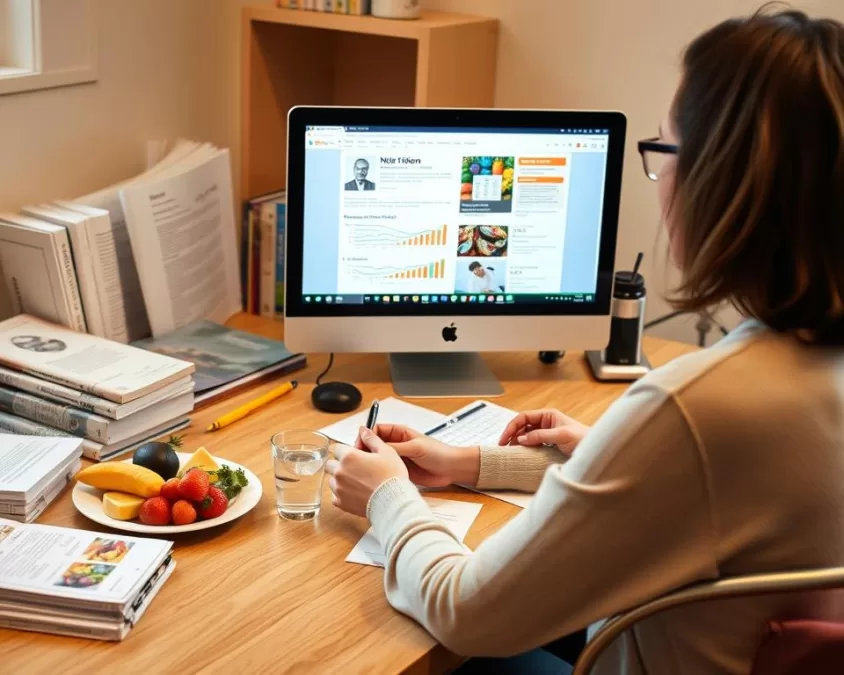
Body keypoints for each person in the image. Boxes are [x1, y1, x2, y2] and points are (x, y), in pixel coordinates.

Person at [326, 8, 844, 675]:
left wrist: (386, 497)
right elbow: (689, 501)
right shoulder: (813, 365)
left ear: (720, 181)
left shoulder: (700, 408)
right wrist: (471, 465)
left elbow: (465, 610)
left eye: (666, 151)